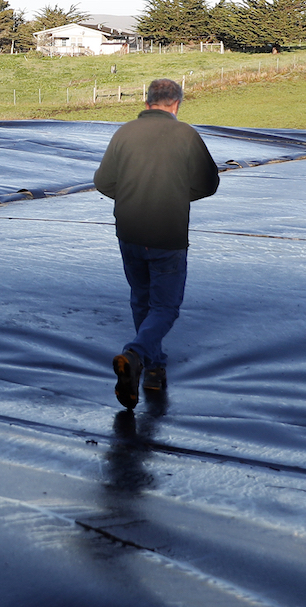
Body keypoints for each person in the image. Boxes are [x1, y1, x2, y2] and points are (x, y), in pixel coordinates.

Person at [91, 77, 220, 409]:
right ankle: (135, 356)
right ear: (176, 104)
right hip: (168, 233)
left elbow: (103, 182)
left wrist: (132, 197)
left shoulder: (124, 133)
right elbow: (209, 183)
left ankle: (152, 370)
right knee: (165, 307)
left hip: (129, 231)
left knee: (141, 299)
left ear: (147, 103)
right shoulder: (186, 134)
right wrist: (178, 197)